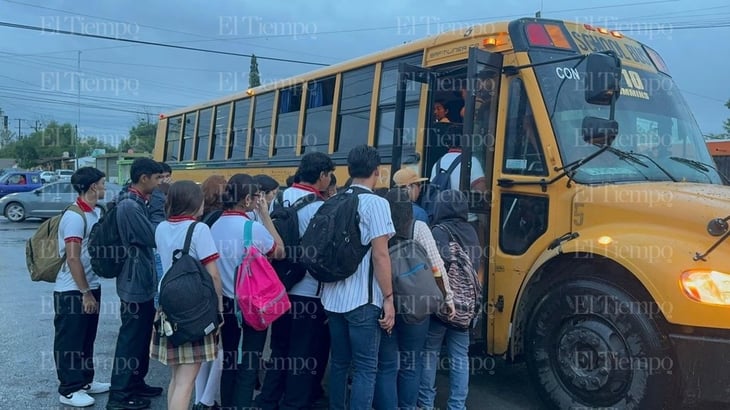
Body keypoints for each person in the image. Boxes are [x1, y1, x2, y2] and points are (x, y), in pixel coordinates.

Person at [257, 152, 334, 410]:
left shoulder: (279, 198)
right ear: (322, 176)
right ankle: (294, 403)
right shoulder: (322, 208)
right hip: (308, 291)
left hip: (278, 286)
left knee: (279, 348)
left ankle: (268, 400)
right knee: (302, 353)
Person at [321, 145, 396, 410]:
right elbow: (380, 255)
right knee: (366, 368)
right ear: (377, 172)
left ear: (349, 171)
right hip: (363, 301)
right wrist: (389, 298)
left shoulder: (334, 200)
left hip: (331, 299)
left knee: (339, 363)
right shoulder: (377, 203)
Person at [373, 188, 454, 410]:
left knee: (387, 365)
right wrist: (447, 298)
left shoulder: (379, 230)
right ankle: (407, 407)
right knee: (411, 363)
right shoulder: (418, 227)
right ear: (409, 210)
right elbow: (436, 266)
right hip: (416, 307)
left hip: (386, 304)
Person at [211, 174, 285, 409]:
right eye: (256, 197)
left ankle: (227, 404)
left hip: (224, 303)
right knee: (249, 361)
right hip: (251, 305)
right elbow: (280, 250)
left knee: (230, 358)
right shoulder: (251, 227)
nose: (259, 200)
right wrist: (265, 216)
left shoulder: (215, 224)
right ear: (246, 199)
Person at [151, 181, 223, 410]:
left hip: (168, 306)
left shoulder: (161, 227)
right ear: (194, 202)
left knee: (176, 377)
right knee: (187, 381)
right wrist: (219, 310)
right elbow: (213, 276)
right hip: (195, 309)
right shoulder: (199, 230)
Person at [106, 158, 165, 410]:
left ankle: (136, 382)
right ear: (144, 178)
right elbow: (153, 236)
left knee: (141, 337)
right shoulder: (130, 205)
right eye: (157, 178)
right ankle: (119, 396)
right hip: (133, 283)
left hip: (141, 280)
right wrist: (159, 210)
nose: (160, 182)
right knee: (130, 340)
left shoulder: (137, 201)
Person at [418, 189, 480, 410]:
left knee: (430, 353)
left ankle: (426, 403)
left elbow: (437, 268)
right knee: (460, 357)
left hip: (443, 304)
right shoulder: (472, 231)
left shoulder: (438, 231)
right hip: (466, 306)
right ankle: (457, 405)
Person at [54, 167, 109, 408]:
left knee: (87, 338)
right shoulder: (75, 216)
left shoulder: (95, 212)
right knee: (70, 341)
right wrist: (85, 292)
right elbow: (73, 258)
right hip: (73, 290)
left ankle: (85, 381)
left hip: (90, 285)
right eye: (102, 183)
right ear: (93, 186)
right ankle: (68, 389)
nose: (105, 187)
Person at [193, 174, 228, 410]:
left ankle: (198, 399)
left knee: (200, 349)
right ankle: (207, 400)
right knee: (219, 349)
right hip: (212, 288)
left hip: (193, 289)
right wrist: (219, 303)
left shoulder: (198, 219)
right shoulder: (218, 219)